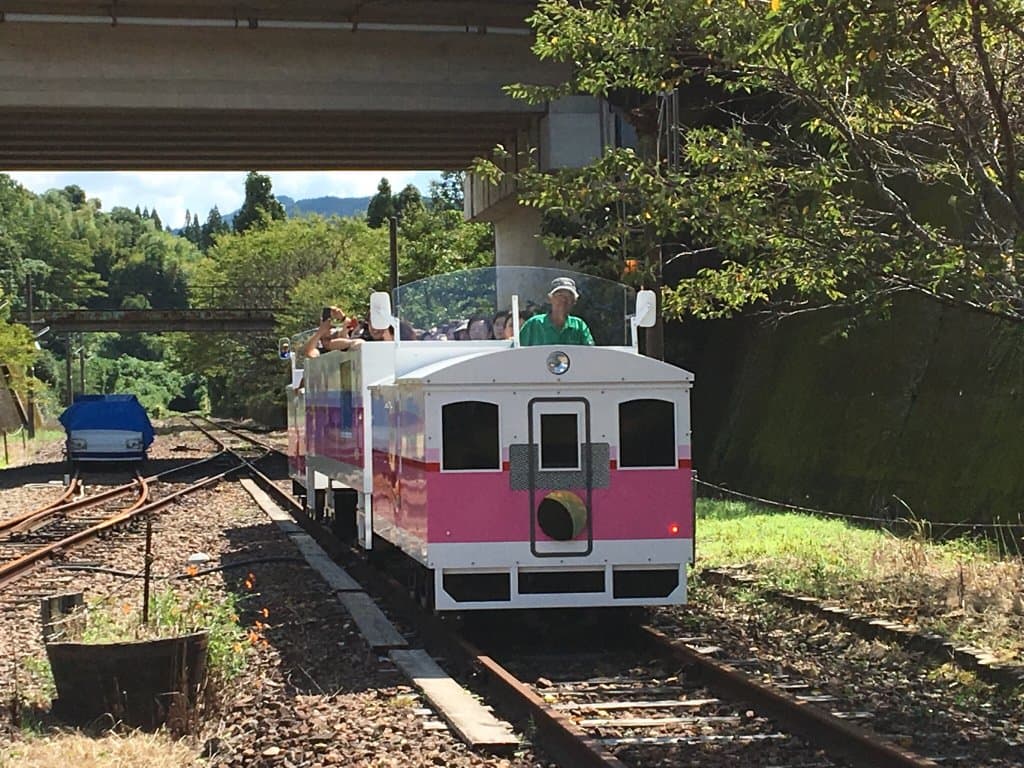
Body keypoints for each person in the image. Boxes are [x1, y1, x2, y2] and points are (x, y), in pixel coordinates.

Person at [519, 277, 595, 346]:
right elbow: (517, 352)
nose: (563, 300)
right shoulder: (534, 324)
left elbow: (590, 352)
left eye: (568, 296)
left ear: (574, 301)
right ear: (550, 299)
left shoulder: (579, 326)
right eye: (559, 295)